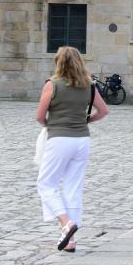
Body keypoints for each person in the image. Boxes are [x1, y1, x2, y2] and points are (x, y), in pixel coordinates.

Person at [35, 46, 109, 252]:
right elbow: (103, 111)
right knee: (73, 188)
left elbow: (40, 116)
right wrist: (87, 119)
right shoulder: (89, 86)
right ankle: (71, 240)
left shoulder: (52, 85)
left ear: (58, 63)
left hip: (59, 138)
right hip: (82, 140)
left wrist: (49, 124)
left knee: (46, 183)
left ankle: (66, 222)